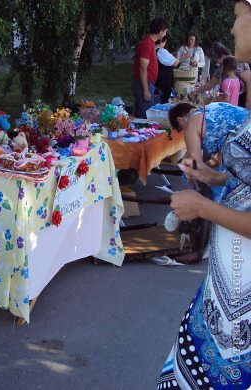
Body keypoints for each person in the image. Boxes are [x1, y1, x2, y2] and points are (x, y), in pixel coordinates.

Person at [157, 1, 251, 388]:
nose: (232, 28)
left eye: (239, 14)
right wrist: (213, 178)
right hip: (227, 291)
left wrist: (201, 207)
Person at [189, 42, 251, 109]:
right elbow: (210, 84)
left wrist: (248, 102)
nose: (216, 63)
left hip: (242, 98)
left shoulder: (238, 63)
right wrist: (195, 92)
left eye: (216, 60)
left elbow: (249, 81)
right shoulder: (222, 67)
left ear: (223, 56)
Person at [131, 17, 169, 118]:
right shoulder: (147, 43)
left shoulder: (150, 43)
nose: (165, 34)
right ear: (160, 30)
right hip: (143, 83)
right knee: (145, 116)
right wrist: (146, 89)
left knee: (144, 114)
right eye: (165, 31)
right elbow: (143, 68)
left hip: (147, 83)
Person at [155, 36, 179, 103]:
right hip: (164, 83)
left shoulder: (153, 50)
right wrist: (178, 56)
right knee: (163, 101)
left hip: (157, 81)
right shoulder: (161, 51)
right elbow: (175, 63)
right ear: (162, 41)